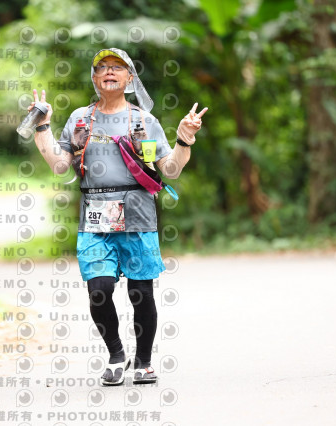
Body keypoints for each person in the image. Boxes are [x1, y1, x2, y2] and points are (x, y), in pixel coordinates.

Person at [28, 47, 207, 386]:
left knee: (141, 291)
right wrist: (43, 127)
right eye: (102, 67)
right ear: (94, 78)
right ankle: (115, 355)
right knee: (98, 289)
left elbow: (170, 169)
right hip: (95, 217)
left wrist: (184, 140)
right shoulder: (80, 119)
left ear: (130, 78)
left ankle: (144, 362)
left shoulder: (144, 121)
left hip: (138, 213)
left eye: (118, 67)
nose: (109, 71)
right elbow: (60, 165)